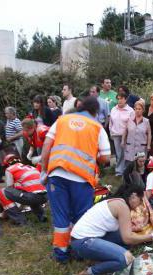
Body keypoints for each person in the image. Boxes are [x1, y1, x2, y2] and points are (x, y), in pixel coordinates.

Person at [40, 96, 111, 263]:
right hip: (82, 178)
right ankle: (79, 252)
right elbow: (106, 158)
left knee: (61, 217)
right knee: (81, 216)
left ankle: (61, 254)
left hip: (57, 174)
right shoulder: (97, 127)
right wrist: (95, 158)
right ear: (95, 112)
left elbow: (46, 146)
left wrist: (44, 170)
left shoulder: (62, 120)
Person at [72, 184, 153, 275]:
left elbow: (126, 235)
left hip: (84, 239)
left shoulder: (117, 202)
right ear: (133, 196)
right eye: (140, 200)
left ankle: (98, 259)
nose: (140, 205)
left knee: (125, 239)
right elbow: (128, 237)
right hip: (83, 242)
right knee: (125, 258)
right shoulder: (122, 207)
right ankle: (88, 274)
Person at [0, 154, 47, 225]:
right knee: (32, 194)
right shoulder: (30, 167)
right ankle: (42, 216)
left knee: (2, 192)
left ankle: (20, 221)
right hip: (45, 196)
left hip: (32, 197)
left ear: (7, 164)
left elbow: (9, 188)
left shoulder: (10, 169)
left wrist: (4, 207)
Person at [109, 93, 134, 176]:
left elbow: (132, 124)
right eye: (118, 98)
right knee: (119, 154)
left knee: (126, 153)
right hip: (116, 134)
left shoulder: (130, 110)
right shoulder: (113, 109)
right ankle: (119, 171)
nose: (119, 100)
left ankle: (126, 171)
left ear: (125, 99)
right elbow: (111, 122)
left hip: (127, 135)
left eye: (121, 98)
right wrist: (111, 132)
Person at [123, 101, 151, 167]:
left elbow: (149, 133)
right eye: (136, 109)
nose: (137, 110)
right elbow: (125, 131)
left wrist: (148, 145)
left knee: (140, 164)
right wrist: (122, 141)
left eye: (139, 109)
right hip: (130, 145)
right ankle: (128, 176)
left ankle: (140, 176)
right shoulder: (129, 120)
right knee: (129, 164)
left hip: (141, 146)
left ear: (143, 110)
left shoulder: (146, 121)